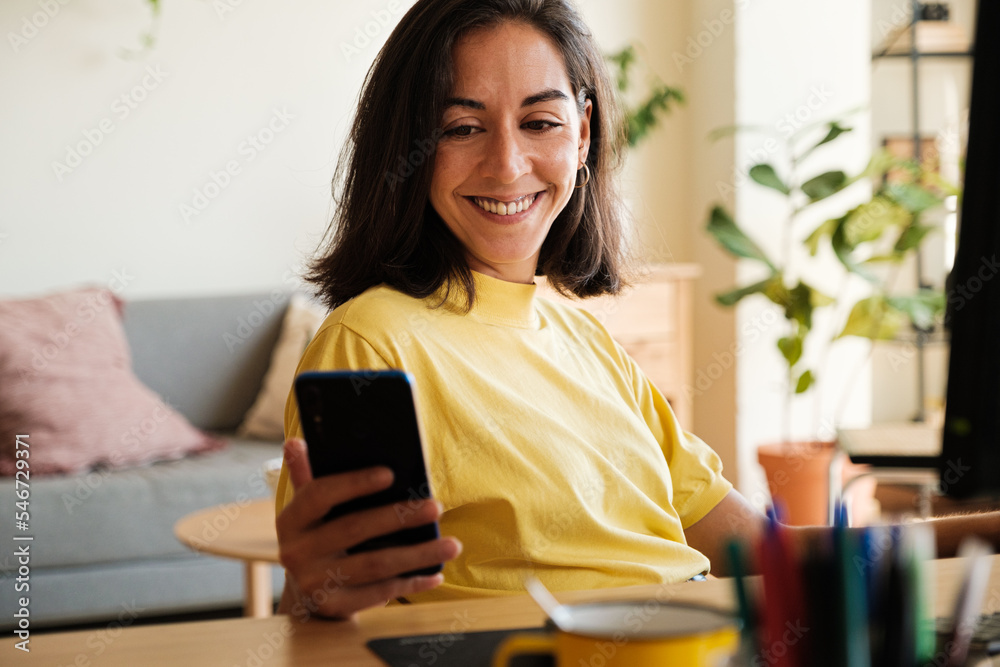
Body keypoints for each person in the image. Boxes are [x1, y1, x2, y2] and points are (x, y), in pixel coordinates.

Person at [274, 0, 1000, 621]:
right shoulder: (370, 340)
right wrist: (312, 595)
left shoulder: (585, 341)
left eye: (540, 123)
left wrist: (986, 530)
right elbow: (334, 609)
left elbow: (765, 552)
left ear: (583, 134)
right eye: (463, 127)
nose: (506, 163)